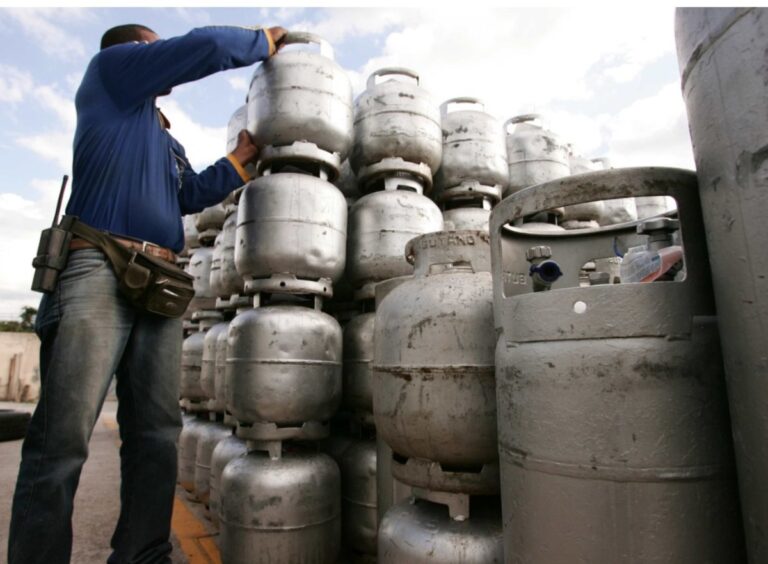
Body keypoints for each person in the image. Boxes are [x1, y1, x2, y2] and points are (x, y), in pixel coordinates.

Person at [8, 22, 288, 564]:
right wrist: (262, 41)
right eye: (150, 47)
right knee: (63, 439)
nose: (158, 58)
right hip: (98, 265)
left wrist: (236, 161)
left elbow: (187, 195)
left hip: (157, 280)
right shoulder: (110, 73)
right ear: (133, 50)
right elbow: (197, 48)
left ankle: (143, 554)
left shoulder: (159, 136)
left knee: (157, 432)